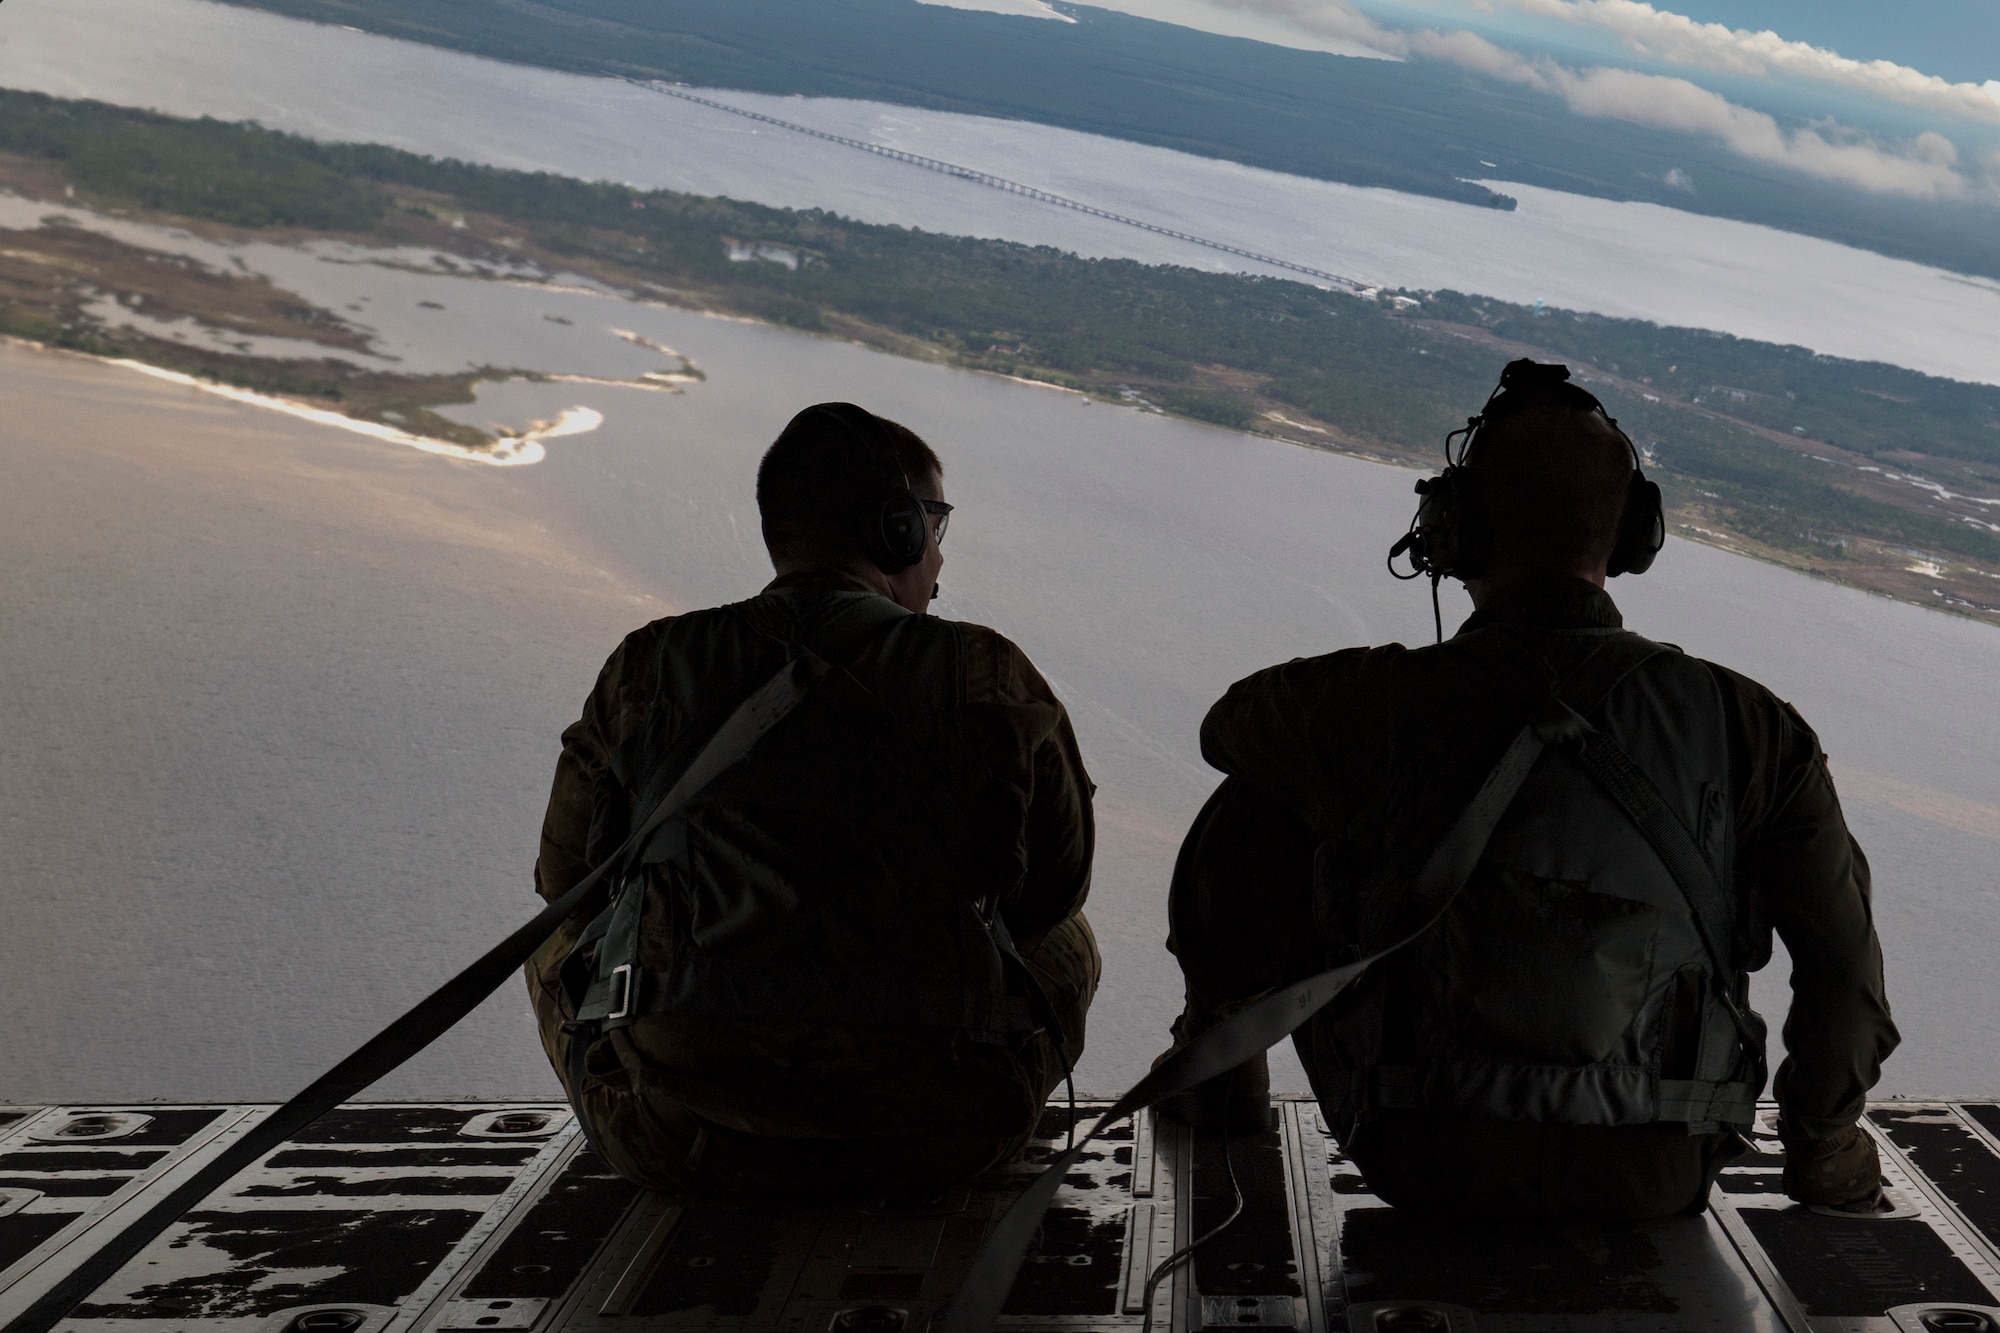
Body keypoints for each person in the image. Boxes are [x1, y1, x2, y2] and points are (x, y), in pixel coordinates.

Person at [1165, 360, 1897, 1220]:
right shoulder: (1753, 726)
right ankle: (1826, 1156)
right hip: (1658, 1167)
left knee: (1260, 798)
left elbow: (1226, 729)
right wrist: (1822, 1145)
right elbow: (1845, 971)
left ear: (1454, 529)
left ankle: (1221, 1074)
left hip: (1420, 1149)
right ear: (1632, 539)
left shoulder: (1367, 702)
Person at [525, 402, 1099, 1197]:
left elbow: (566, 888)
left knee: (549, 944)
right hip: (938, 1136)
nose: (939, 559)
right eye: (935, 526)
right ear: (899, 529)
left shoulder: (647, 665)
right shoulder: (985, 672)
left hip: (674, 1137)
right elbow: (1053, 894)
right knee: (1071, 939)